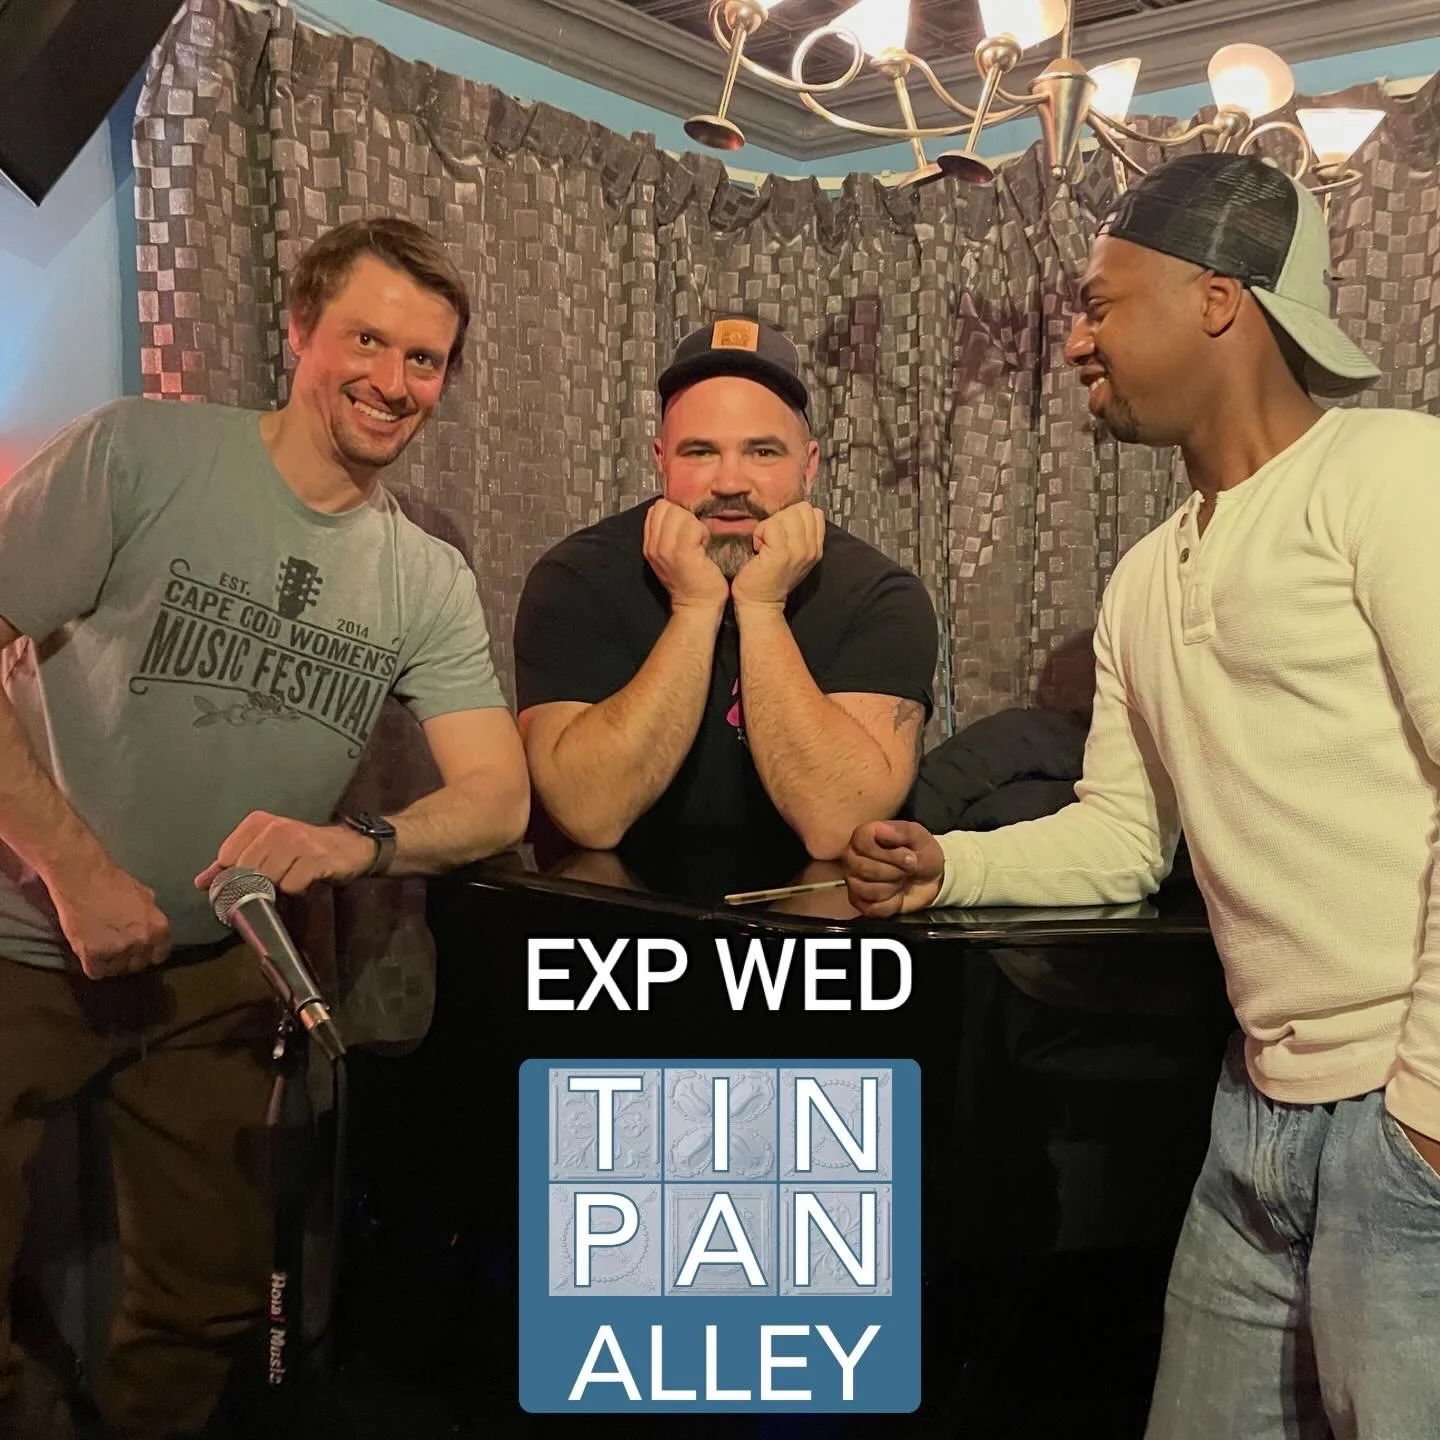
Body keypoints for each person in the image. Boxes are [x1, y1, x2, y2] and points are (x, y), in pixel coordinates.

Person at [841, 151, 1440, 1438]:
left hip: (1406, 1118)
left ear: (1219, 298)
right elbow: (1124, 838)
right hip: (1257, 1113)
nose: (1074, 342)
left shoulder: (1394, 474)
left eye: (1101, 304)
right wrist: (951, 866)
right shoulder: (1142, 578)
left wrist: (1426, 1114)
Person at [0, 216, 529, 1439]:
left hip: (219, 977)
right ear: (299, 329)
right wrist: (76, 872)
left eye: (425, 360)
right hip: (22, 946)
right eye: (367, 340)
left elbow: (496, 796)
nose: (393, 381)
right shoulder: (140, 451)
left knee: (209, 1303)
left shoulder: (423, 575)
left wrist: (358, 845)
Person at [512, 316, 937, 876]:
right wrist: (694, 608)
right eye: (700, 452)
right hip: (613, 920)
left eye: (762, 452)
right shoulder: (576, 578)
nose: (731, 482)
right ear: (661, 460)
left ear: (809, 466)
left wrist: (761, 608)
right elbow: (589, 814)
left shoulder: (881, 596)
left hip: (812, 921)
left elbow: (839, 823)